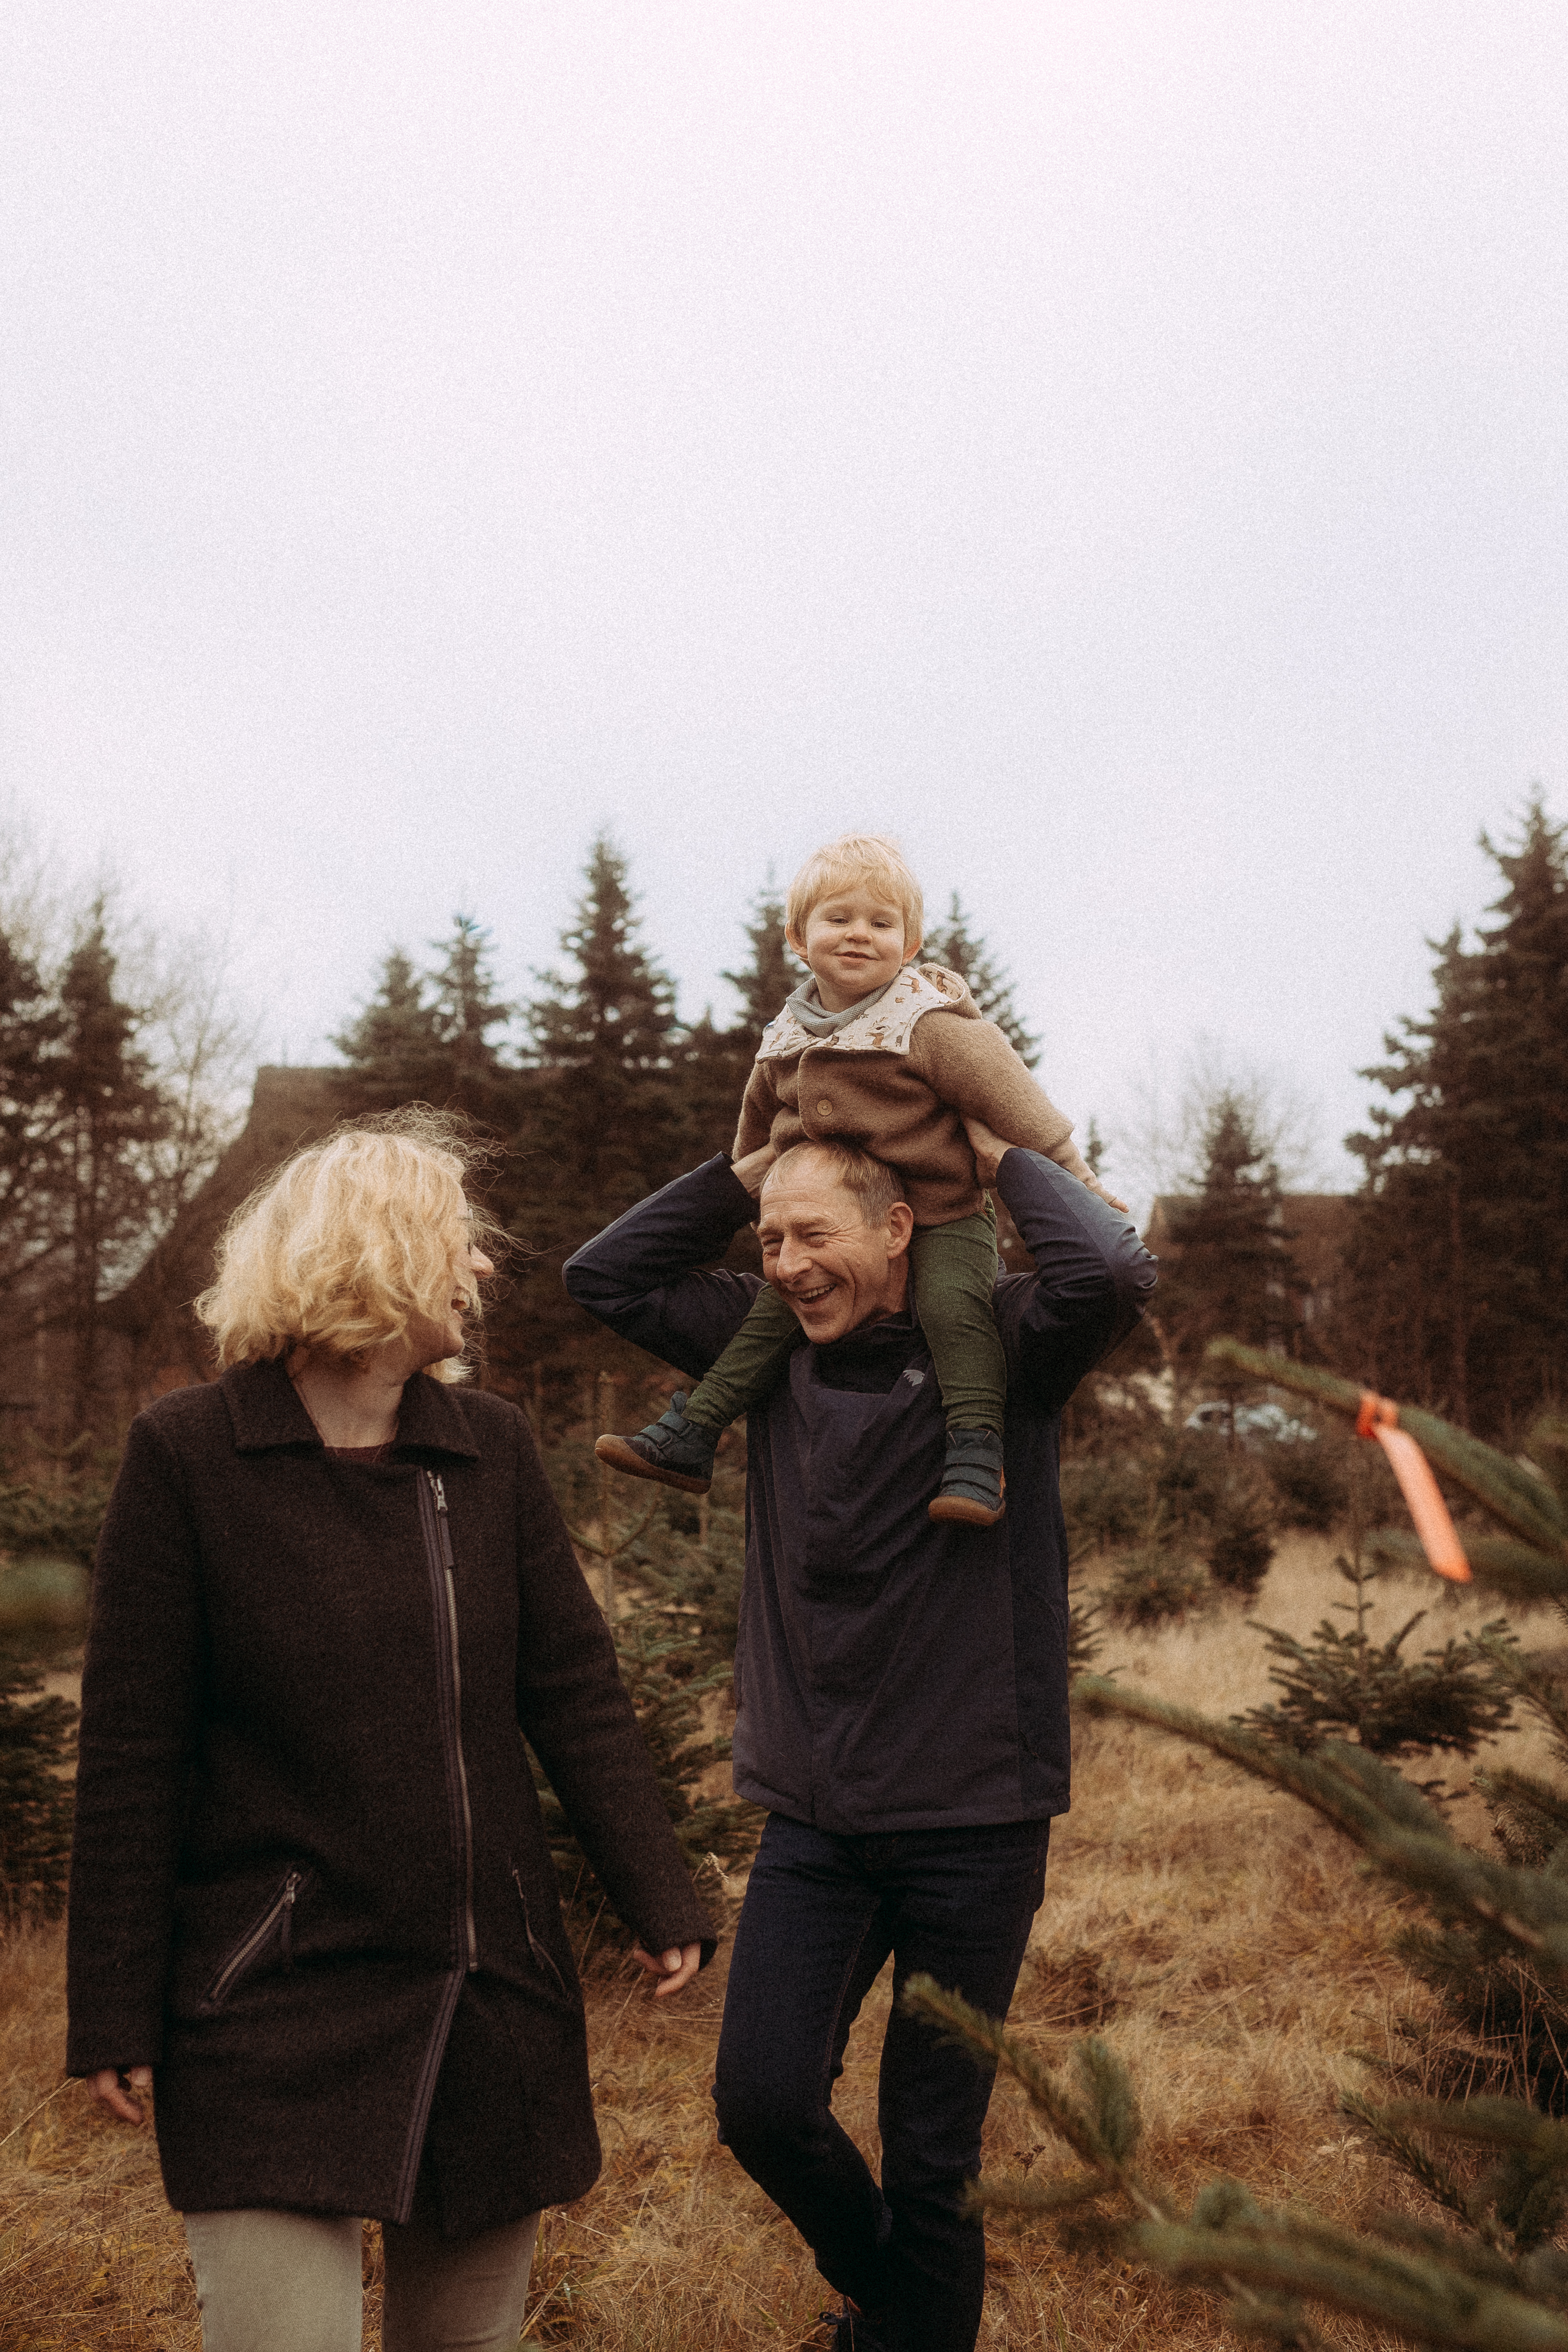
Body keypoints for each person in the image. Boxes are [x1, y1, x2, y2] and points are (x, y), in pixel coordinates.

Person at [66, 1109, 714, 2352]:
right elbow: (133, 1751)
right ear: (383, 1255)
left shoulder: (490, 1450)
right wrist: (111, 2008)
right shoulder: (190, 1456)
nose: (481, 1269)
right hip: (269, 1994)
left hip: (485, 1992)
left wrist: (658, 1892)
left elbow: (570, 1685)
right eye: (460, 1242)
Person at [565, 1120, 1155, 2352]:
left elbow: (1106, 1272)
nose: (782, 1263)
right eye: (768, 1239)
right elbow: (605, 1275)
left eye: (811, 1233)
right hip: (817, 1820)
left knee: (931, 2151)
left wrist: (995, 1155)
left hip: (975, 1820)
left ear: (898, 1230)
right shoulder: (762, 1339)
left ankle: (893, 2336)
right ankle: (901, 2307)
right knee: (762, 2102)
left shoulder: (1006, 1342)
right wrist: (753, 1162)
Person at [595, 832, 1124, 1527]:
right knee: (770, 1315)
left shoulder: (927, 1025)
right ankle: (694, 1432)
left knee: (951, 1309)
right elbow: (755, 1124)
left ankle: (974, 1452)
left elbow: (1018, 1106)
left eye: (882, 924)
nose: (859, 936)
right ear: (797, 936)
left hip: (942, 1214)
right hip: (840, 1227)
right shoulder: (787, 1034)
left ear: (909, 947)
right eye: (838, 918)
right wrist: (756, 1187)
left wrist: (1078, 1179)